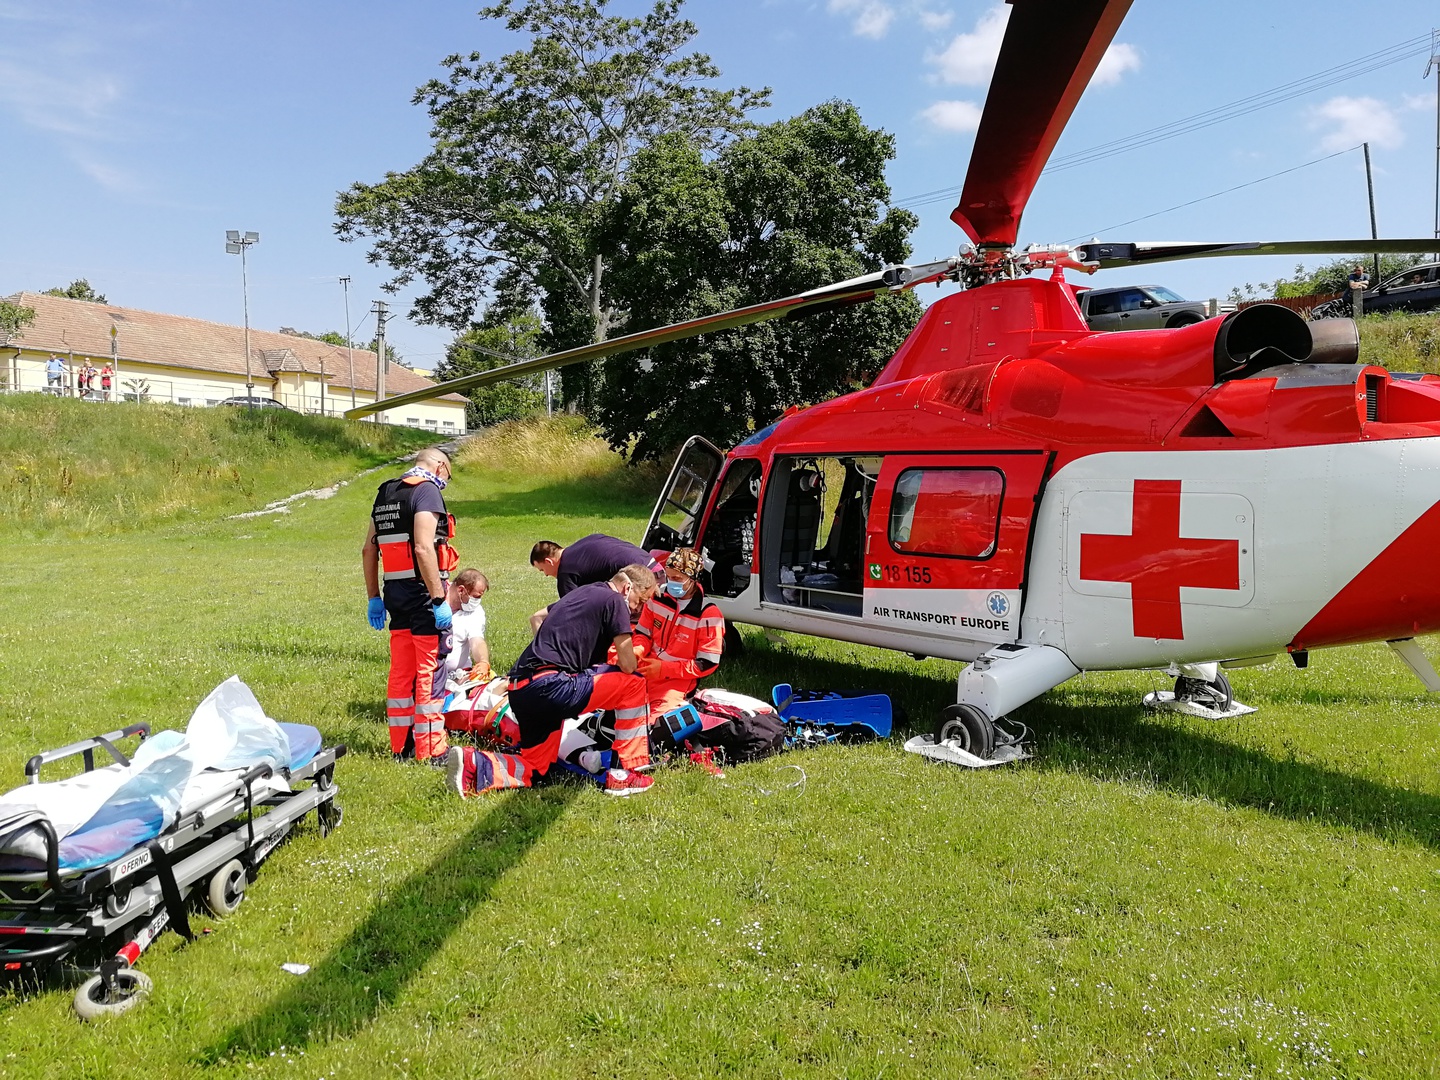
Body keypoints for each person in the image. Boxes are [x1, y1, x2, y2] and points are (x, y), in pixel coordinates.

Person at [447, 565, 656, 798]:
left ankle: (475, 764)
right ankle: (626, 772)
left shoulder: (581, 593)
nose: (638, 608)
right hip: (551, 685)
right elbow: (628, 665)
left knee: (536, 768)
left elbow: (537, 616)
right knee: (635, 683)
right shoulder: (615, 600)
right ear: (627, 587)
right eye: (640, 600)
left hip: (521, 688)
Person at [362, 448, 459, 764]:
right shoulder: (427, 491)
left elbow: (368, 550)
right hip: (422, 597)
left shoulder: (386, 492)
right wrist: (438, 599)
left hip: (395, 596)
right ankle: (431, 750)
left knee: (401, 673)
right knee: (429, 670)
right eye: (448, 475)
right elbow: (422, 547)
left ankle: (400, 747)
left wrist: (374, 597)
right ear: (440, 467)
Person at [634, 547, 725, 721]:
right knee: (618, 710)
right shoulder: (657, 597)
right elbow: (643, 633)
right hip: (646, 669)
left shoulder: (708, 613)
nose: (671, 582)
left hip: (678, 681)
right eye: (669, 577)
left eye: (677, 578)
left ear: (692, 579)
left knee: (654, 725)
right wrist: (637, 649)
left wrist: (663, 669)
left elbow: (706, 664)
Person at [529, 534, 661, 632]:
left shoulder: (566, 571)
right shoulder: (586, 542)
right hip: (657, 569)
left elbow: (573, 612)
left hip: (644, 582)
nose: (546, 574)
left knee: (621, 625)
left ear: (549, 561)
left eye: (542, 570)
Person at [439, 568, 491, 686]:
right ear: (461, 590)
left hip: (459, 674)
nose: (477, 601)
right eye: (476, 597)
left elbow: (477, 641)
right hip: (430, 672)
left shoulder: (475, 611)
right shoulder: (436, 600)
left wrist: (483, 662)